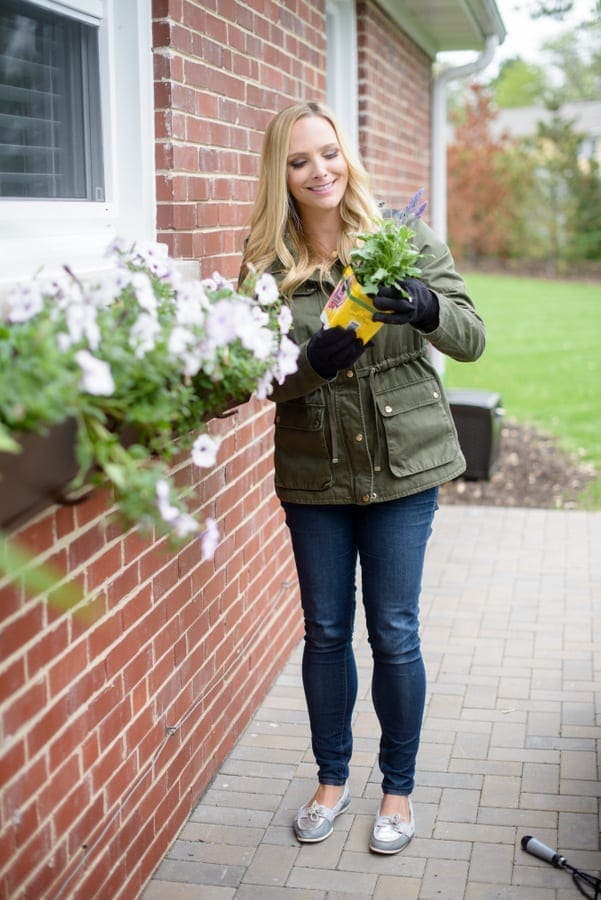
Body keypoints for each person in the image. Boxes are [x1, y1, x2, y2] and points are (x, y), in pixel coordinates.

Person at [240, 100, 485, 854]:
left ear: (346, 156)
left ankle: (398, 790)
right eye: (299, 160)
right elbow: (249, 377)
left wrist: (424, 306)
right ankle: (330, 779)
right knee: (323, 633)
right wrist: (307, 368)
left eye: (328, 152)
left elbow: (471, 338)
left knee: (395, 634)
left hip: (402, 471)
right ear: (280, 175)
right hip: (315, 474)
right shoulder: (265, 269)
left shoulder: (402, 239)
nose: (319, 171)